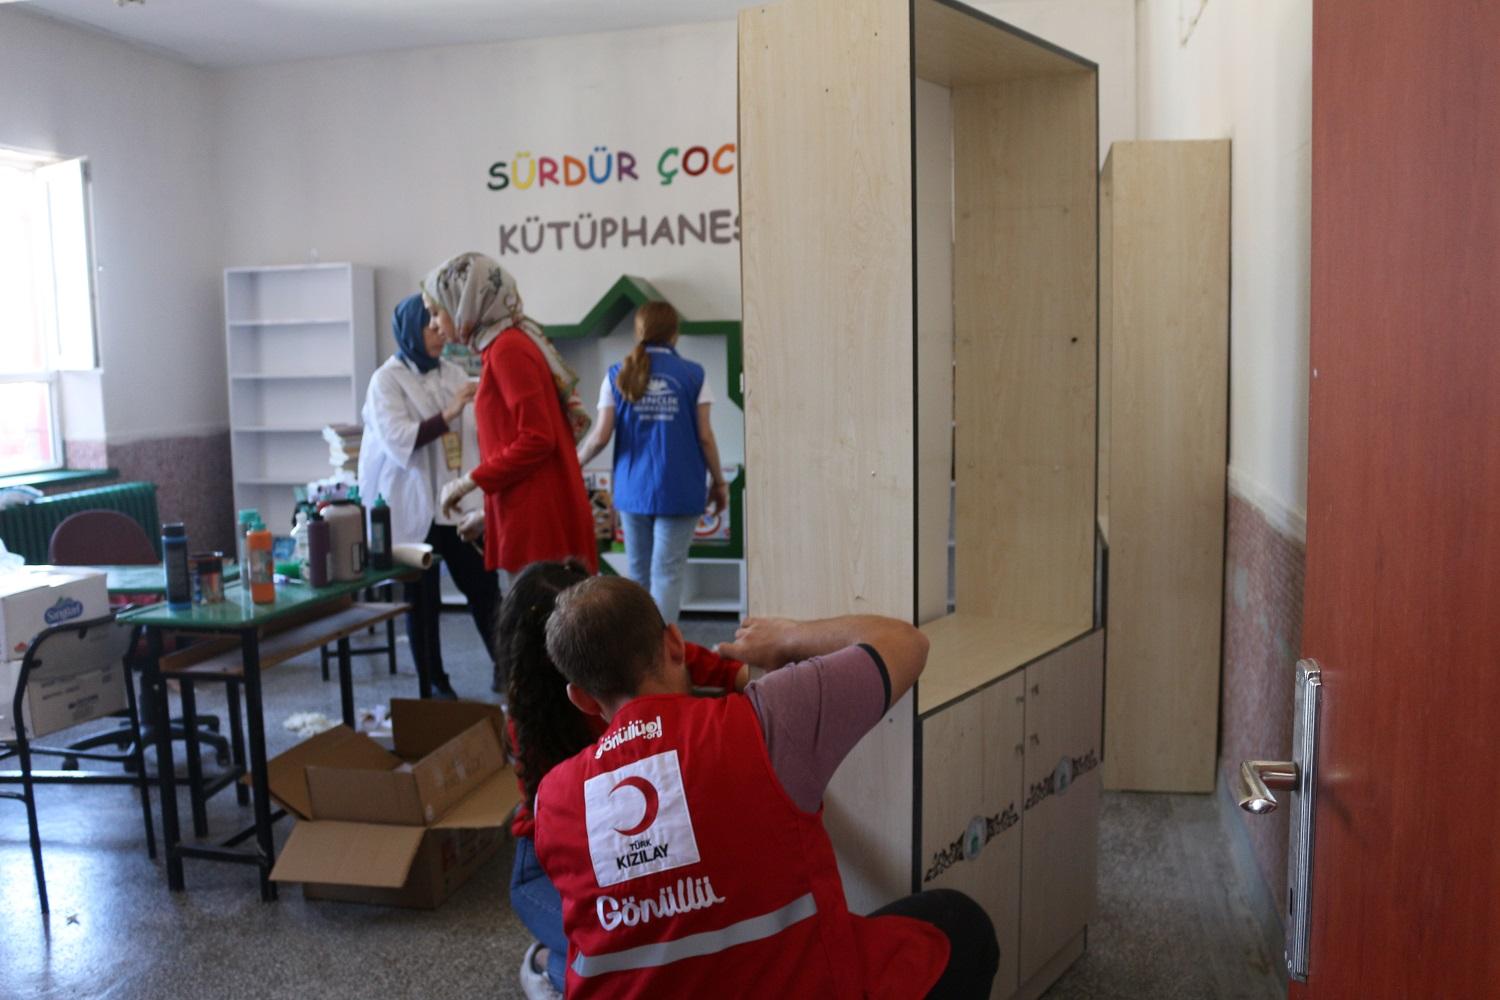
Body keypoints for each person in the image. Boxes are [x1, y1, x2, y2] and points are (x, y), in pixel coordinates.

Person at [533, 576, 1000, 998]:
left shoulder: (551, 800)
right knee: (958, 922)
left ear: (582, 698)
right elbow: (905, 642)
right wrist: (790, 636)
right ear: (675, 642)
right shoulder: (766, 721)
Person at [499, 560, 746, 999]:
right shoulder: (535, 723)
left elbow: (728, 672)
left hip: (637, 835)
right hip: (562, 858)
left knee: (677, 940)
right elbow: (576, 848)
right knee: (628, 953)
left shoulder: (642, 653)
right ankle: (546, 964)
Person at [425, 253, 599, 688]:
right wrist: (489, 513)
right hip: (531, 513)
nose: (435, 325)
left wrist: (471, 480)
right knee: (542, 645)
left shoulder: (506, 350)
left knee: (541, 650)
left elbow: (536, 439)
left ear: (464, 302)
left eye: (436, 312)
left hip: (538, 525)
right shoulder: (504, 345)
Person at [357, 293, 498, 699]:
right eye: (428, 326)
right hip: (411, 507)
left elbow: (473, 435)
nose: (438, 333)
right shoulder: (386, 380)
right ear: (409, 330)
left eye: (439, 324)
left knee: (484, 588)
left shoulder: (453, 373)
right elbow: (399, 439)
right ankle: (434, 682)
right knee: (423, 600)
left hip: (455, 504)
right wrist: (450, 413)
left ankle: (507, 667)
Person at [574, 302, 728, 624]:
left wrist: (573, 464)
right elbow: (705, 437)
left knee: (638, 573)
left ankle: (638, 647)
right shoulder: (693, 374)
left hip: (634, 489)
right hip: (680, 488)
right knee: (667, 572)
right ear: (674, 333)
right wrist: (719, 482)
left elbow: (599, 437)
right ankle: (663, 646)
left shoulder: (617, 374)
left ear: (638, 331)